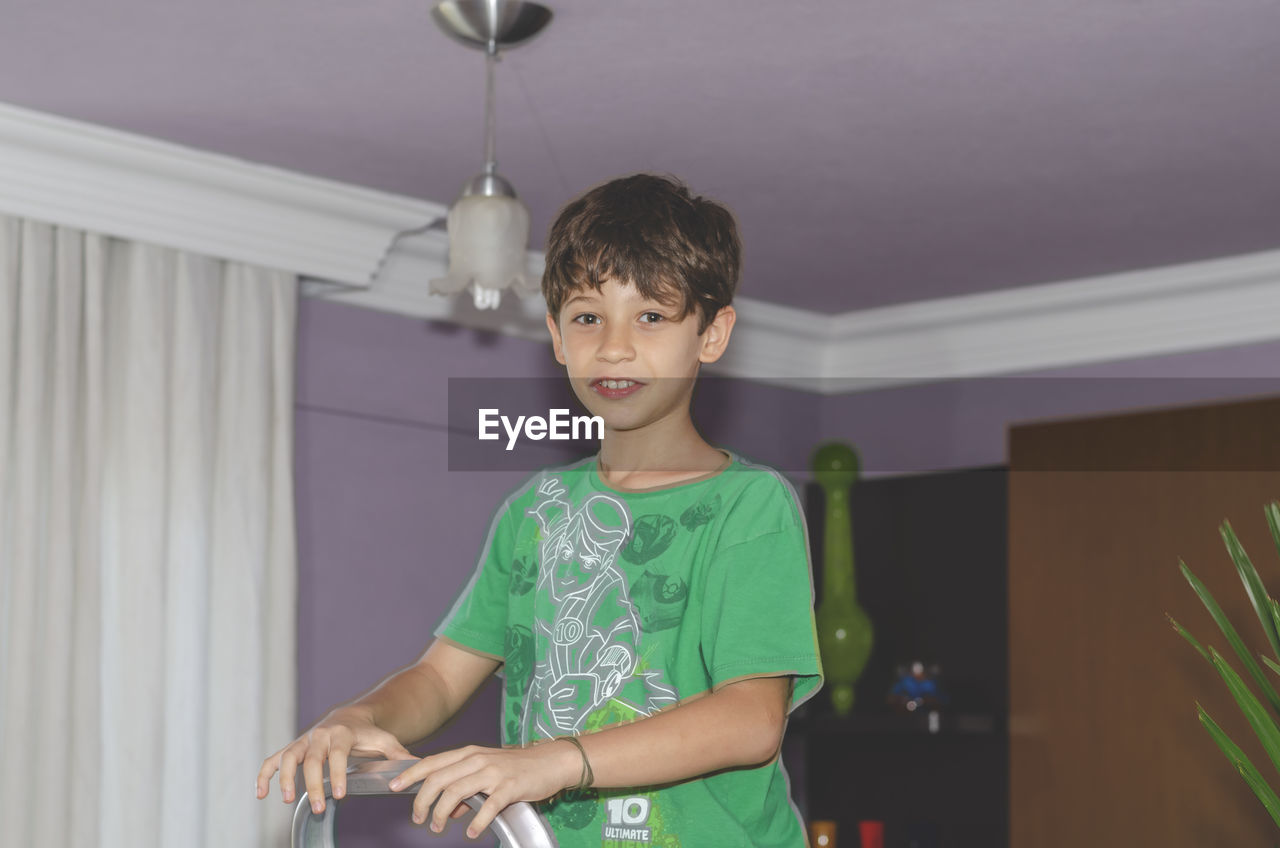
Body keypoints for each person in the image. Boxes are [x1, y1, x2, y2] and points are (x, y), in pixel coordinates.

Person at [256, 173, 824, 846]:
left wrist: (556, 762)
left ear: (712, 332)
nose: (614, 347)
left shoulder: (749, 508)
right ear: (557, 336)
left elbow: (749, 721)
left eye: (651, 316)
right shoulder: (535, 511)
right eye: (588, 317)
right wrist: (354, 718)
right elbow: (440, 677)